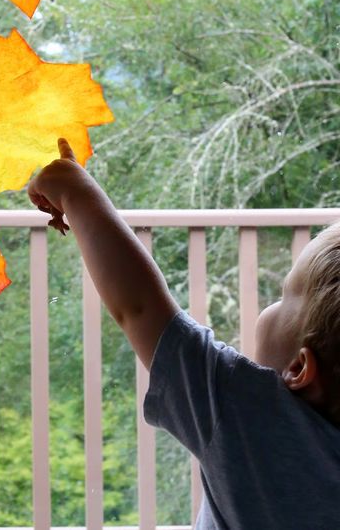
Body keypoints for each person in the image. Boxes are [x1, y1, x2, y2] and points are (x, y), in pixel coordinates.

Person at [28, 138, 340, 528]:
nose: (271, 303)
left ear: (300, 367)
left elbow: (139, 307)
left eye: (284, 295)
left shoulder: (246, 411)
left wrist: (75, 191)